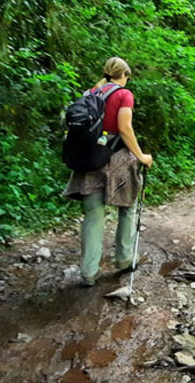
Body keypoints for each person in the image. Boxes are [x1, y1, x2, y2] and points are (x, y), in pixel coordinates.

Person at [63, 57, 153, 287]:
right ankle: (124, 259)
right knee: (127, 207)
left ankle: (88, 272)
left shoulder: (89, 93)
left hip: (90, 159)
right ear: (124, 75)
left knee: (93, 215)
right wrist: (141, 156)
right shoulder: (124, 94)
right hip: (117, 160)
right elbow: (124, 128)